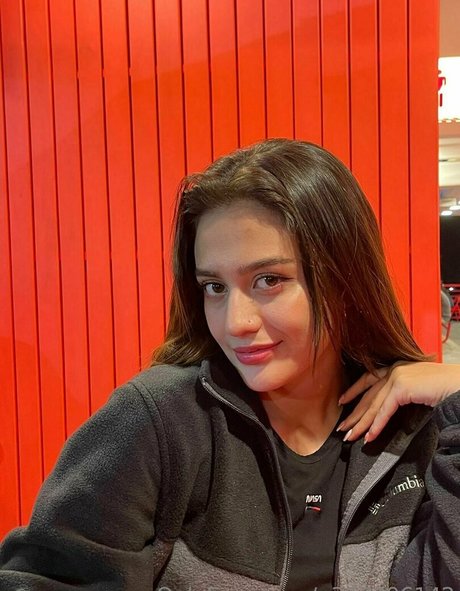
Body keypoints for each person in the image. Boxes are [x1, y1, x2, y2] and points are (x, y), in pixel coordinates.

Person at [1, 139, 460, 590]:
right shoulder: (158, 421)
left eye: (268, 280)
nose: (235, 322)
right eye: (214, 287)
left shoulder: (415, 429)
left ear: (345, 281)